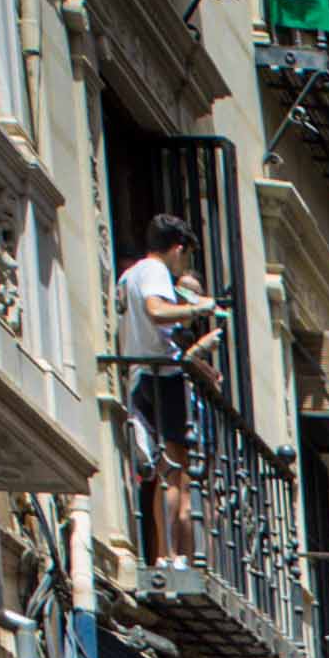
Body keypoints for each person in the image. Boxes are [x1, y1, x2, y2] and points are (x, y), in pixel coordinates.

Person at [116, 210, 226, 554]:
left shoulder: (129, 276)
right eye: (186, 255)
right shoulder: (155, 271)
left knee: (167, 471)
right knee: (176, 471)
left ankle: (165, 553)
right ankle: (173, 555)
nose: (183, 265)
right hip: (163, 377)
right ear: (177, 249)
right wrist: (201, 308)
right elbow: (157, 311)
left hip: (141, 375)